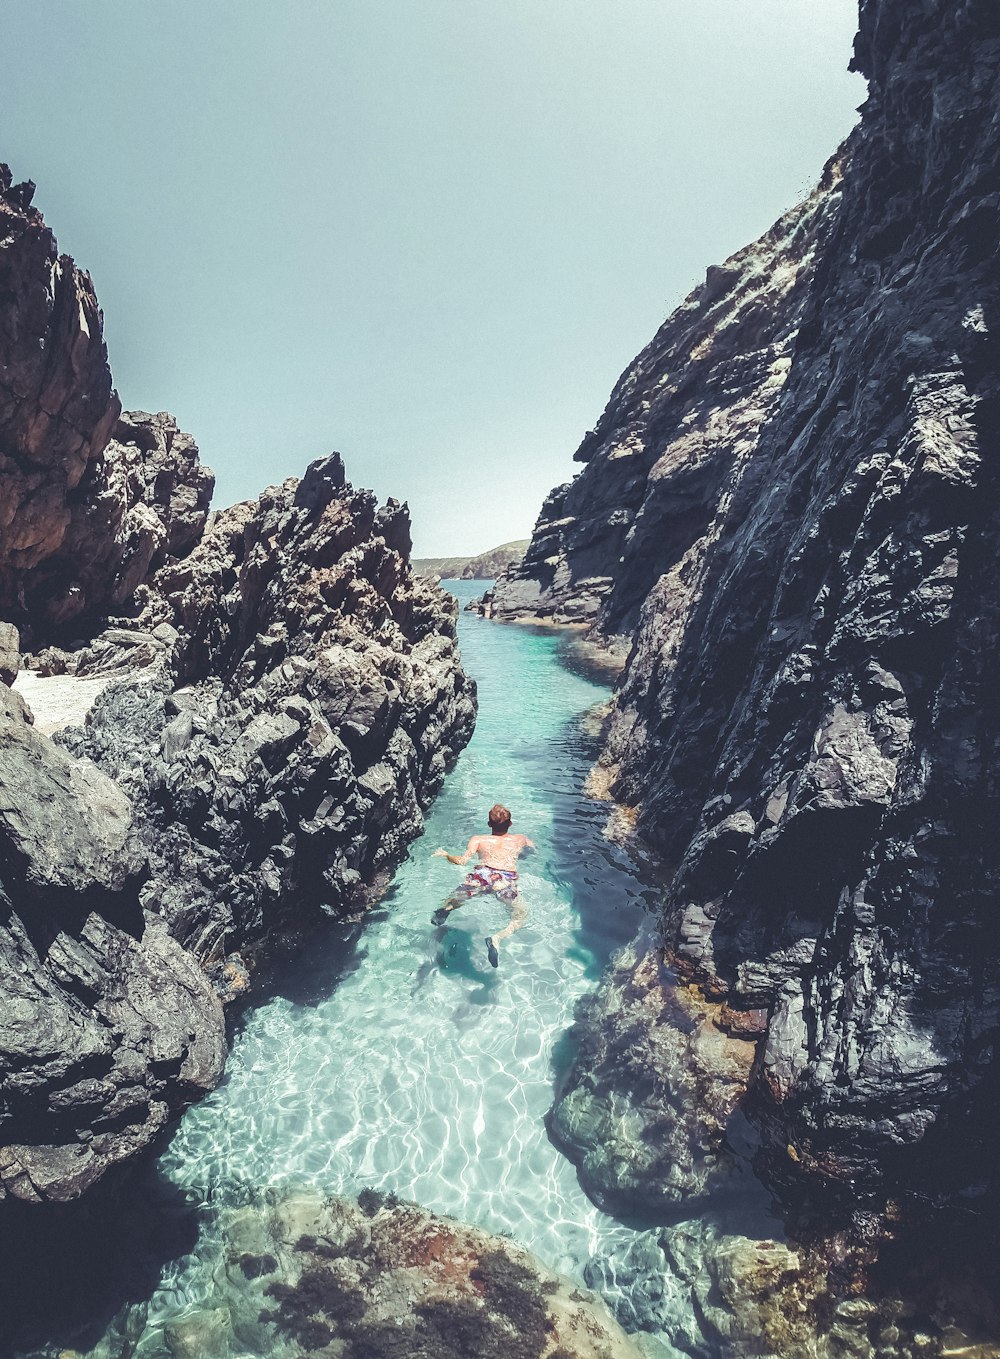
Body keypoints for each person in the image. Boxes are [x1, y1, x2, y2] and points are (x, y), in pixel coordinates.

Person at [432, 803, 534, 967]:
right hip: (504, 880)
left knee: (451, 901)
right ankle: (497, 938)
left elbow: (462, 861)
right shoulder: (520, 839)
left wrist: (446, 855)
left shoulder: (478, 839)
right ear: (510, 823)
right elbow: (532, 851)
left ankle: (444, 914)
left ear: (489, 824)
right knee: (521, 914)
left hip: (482, 875)